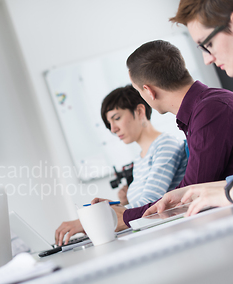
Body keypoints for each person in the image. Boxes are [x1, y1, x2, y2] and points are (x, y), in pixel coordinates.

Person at [55, 40, 233, 246]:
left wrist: (124, 216)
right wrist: (123, 210)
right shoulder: (203, 110)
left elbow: (192, 191)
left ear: (149, 91)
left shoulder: (210, 110)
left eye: (138, 91)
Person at [143, 0, 233, 217]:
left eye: (208, 44)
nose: (207, 59)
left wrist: (226, 194)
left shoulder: (212, 108)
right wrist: (205, 190)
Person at [100, 85, 187, 208]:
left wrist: (112, 212)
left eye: (117, 118)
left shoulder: (165, 145)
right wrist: (123, 204)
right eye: (109, 124)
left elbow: (151, 202)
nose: (113, 129)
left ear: (140, 111)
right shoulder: (139, 159)